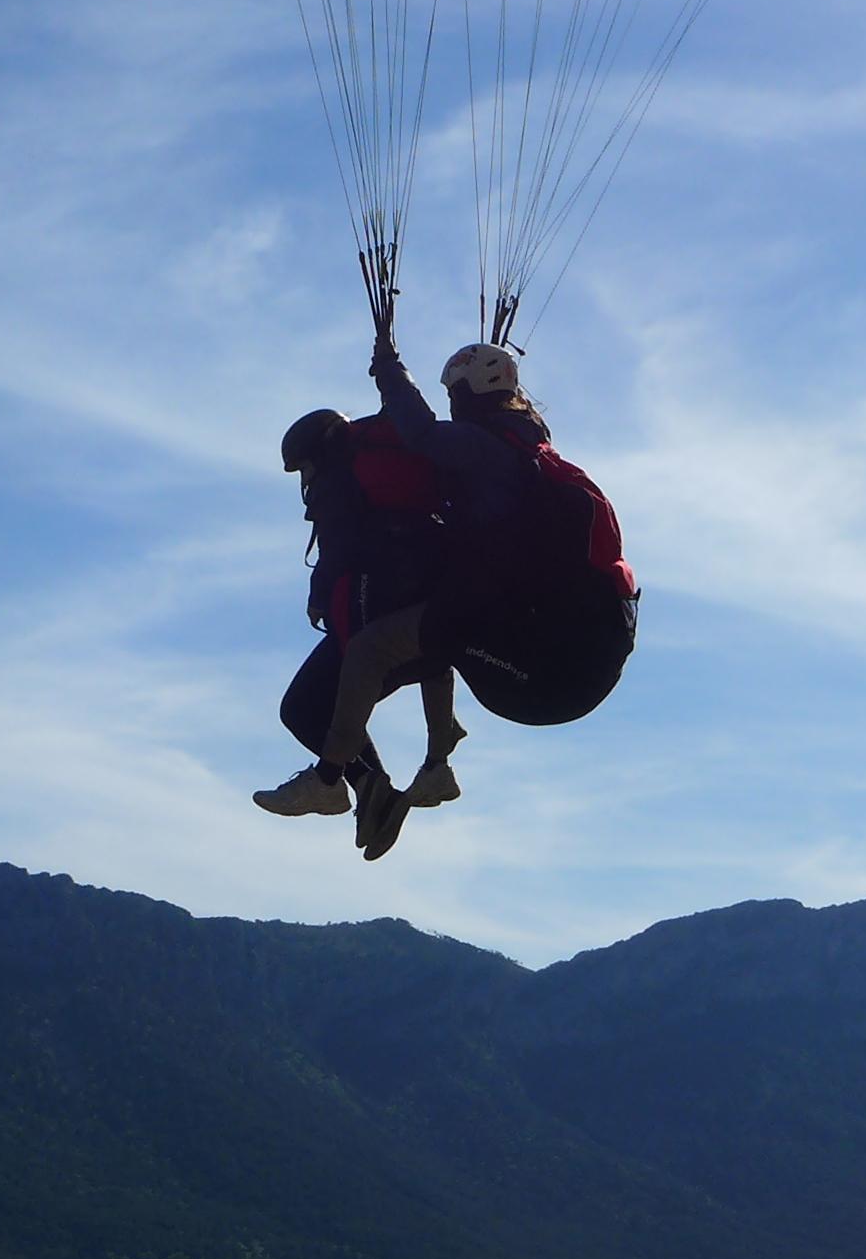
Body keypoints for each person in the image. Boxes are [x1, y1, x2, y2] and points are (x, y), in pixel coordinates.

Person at [257, 328, 640, 860]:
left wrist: (389, 368)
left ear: (465, 395)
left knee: (378, 647)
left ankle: (329, 781)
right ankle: (434, 766)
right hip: (574, 638)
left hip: (551, 666)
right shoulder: (525, 442)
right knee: (433, 628)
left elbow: (421, 434)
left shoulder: (484, 447)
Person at [256, 406, 467, 839]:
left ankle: (347, 786)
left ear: (318, 455)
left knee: (301, 708)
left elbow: (338, 553)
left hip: (373, 624)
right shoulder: (388, 478)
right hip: (423, 620)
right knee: (319, 703)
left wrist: (318, 597)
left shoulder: (338, 483)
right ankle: (385, 785)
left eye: (304, 468)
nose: (304, 481)